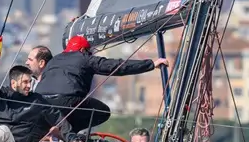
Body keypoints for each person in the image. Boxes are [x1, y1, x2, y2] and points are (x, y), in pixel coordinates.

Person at [35, 35, 168, 132]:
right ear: (83, 50)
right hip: (67, 100)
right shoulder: (85, 58)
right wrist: (151, 64)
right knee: (102, 112)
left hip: (41, 101)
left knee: (58, 115)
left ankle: (58, 133)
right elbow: (117, 66)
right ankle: (69, 133)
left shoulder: (54, 60)